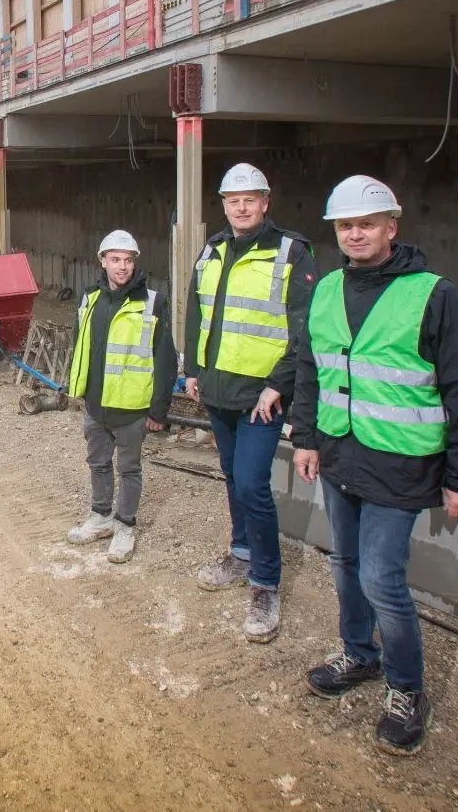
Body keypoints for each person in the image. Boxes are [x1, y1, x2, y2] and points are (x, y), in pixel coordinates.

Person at [291, 175, 458, 757]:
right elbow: (310, 369)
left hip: (401, 463)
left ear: (391, 228)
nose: (355, 234)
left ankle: (406, 689)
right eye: (345, 225)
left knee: (381, 577)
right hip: (340, 453)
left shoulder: (436, 296)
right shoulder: (327, 289)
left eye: (367, 224)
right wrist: (306, 439)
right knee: (345, 563)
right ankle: (359, 654)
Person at [184, 163, 316, 644]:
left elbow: (305, 327)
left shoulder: (291, 252)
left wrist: (280, 384)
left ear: (265, 203)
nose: (241, 208)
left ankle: (265, 582)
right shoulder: (213, 249)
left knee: (253, 483)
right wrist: (193, 369)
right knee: (232, 475)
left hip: (263, 397)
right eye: (232, 201)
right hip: (219, 388)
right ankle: (240, 553)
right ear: (224, 205)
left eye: (249, 200)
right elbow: (196, 311)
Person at [65, 230, 179, 564]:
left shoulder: (153, 303)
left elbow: (165, 359)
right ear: (102, 261)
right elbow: (80, 345)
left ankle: (125, 525)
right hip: (95, 404)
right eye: (115, 259)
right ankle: (101, 516)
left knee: (129, 469)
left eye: (128, 260)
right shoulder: (90, 298)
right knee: (98, 463)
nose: (122, 266)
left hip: (131, 407)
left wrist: (158, 411)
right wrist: (78, 388)